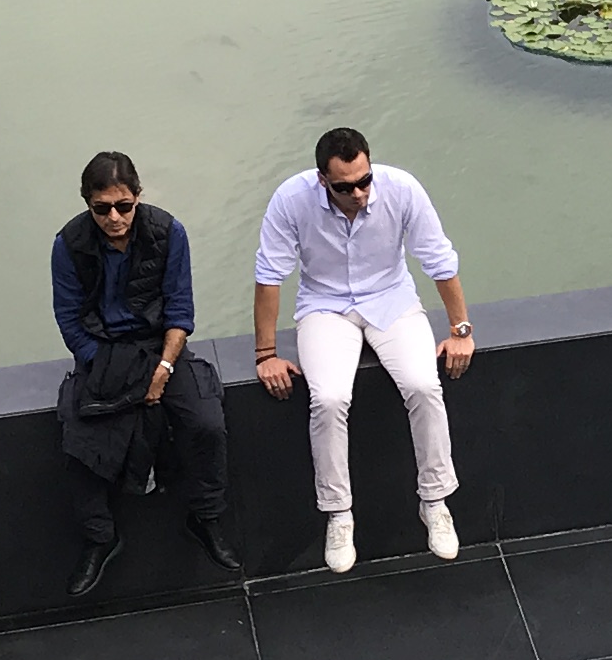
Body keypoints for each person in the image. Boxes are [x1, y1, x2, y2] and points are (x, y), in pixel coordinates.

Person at [251, 126, 473, 576]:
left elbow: (438, 258)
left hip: (391, 299)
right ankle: (338, 513)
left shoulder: (402, 189)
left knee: (423, 385)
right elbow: (269, 274)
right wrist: (266, 352)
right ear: (321, 180)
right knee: (329, 397)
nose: (358, 193)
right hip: (324, 306)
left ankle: (435, 500)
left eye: (364, 180)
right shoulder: (290, 200)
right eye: (344, 186)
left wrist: (460, 328)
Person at [53, 151, 238, 599]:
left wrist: (164, 367)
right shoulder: (69, 244)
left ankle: (205, 517)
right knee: (80, 443)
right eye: (101, 209)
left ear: (138, 198)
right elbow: (69, 318)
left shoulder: (168, 232)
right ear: (87, 204)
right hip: (105, 353)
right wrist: (102, 364)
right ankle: (101, 537)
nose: (114, 218)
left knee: (206, 424)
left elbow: (180, 309)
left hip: (161, 347)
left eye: (123, 206)